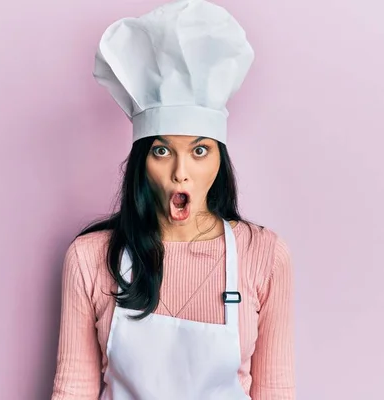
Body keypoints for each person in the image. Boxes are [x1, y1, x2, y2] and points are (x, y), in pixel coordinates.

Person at [51, 0, 296, 399]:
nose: (181, 172)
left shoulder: (264, 255)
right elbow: (73, 389)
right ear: (141, 162)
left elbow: (275, 390)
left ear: (219, 160)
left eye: (200, 151)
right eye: (162, 151)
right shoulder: (90, 258)